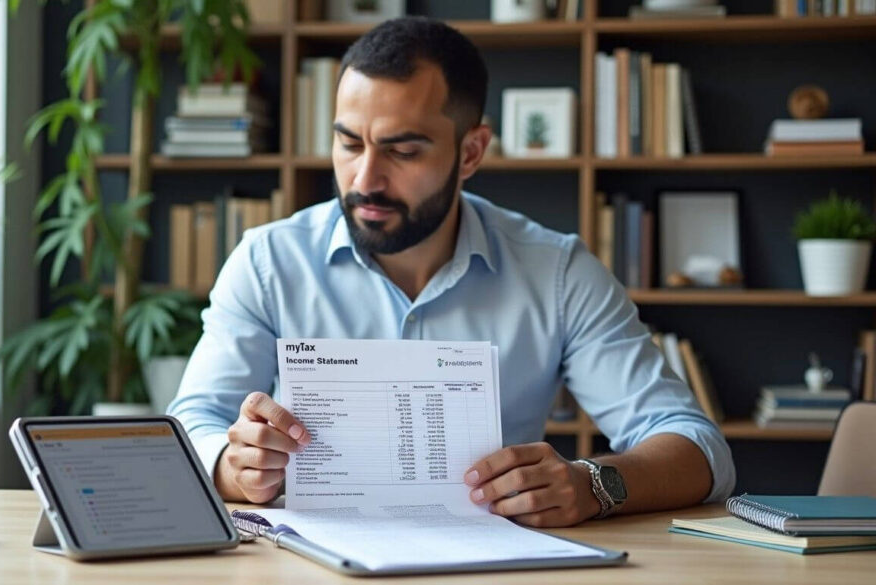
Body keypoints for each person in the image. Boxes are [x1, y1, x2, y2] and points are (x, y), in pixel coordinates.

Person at [168, 16, 735, 527]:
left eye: (403, 151)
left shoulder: (557, 272)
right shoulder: (268, 261)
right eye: (348, 143)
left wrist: (594, 484)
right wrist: (231, 464)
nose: (365, 178)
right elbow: (192, 419)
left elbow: (698, 448)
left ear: (470, 152)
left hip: (497, 563)